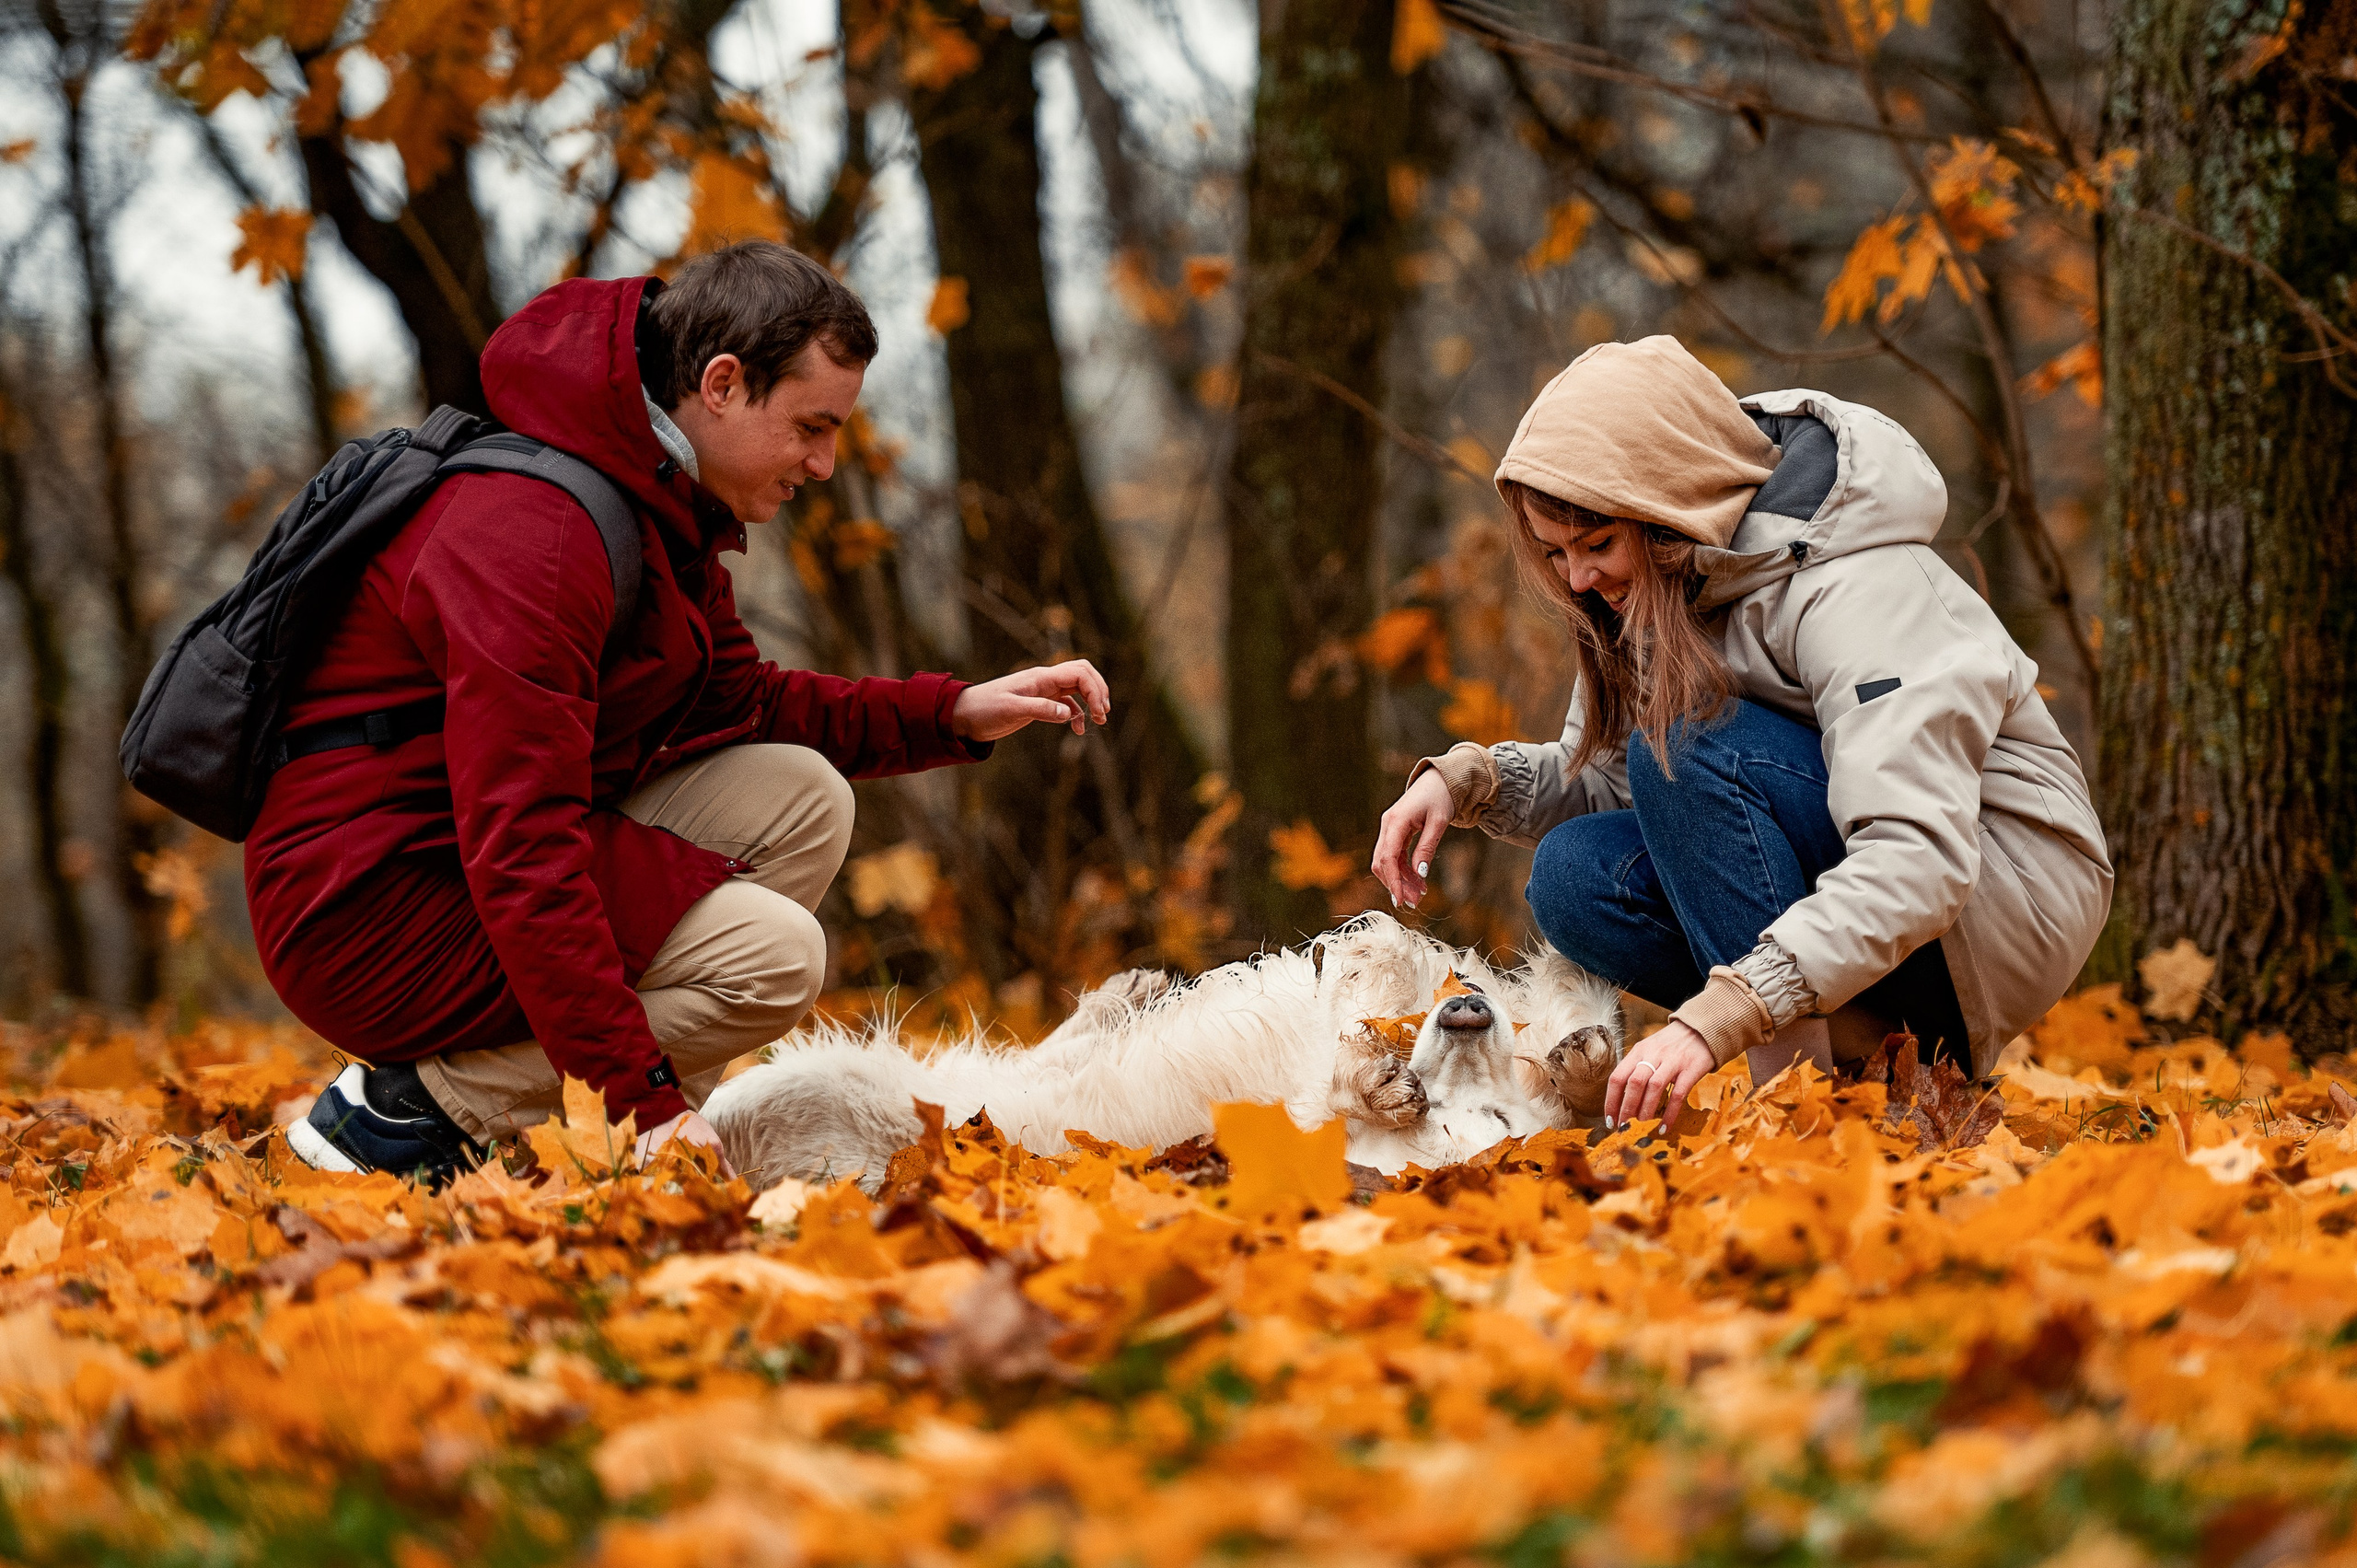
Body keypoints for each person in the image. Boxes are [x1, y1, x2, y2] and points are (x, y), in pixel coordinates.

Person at [261, 241, 1109, 1184]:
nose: (824, 464)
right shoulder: (538, 539)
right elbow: (522, 842)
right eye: (810, 427)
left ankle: (590, 1130)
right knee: (775, 960)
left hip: (446, 861)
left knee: (803, 797)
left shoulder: (654, 502)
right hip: (369, 909)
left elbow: (742, 703)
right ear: (721, 382)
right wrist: (639, 1098)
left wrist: (952, 712)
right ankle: (408, 1110)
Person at [1371, 336, 2111, 1124]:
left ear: (1668, 508)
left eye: (1596, 544)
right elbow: (1620, 790)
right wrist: (1468, 781)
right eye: (1555, 554)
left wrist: (1721, 1015)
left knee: (1686, 749)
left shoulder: (1854, 582)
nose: (1578, 579)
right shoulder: (1646, 598)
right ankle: (1862, 1074)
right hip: (1870, 885)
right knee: (1574, 876)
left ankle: (1795, 1114)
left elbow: (1918, 855)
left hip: (1996, 899)